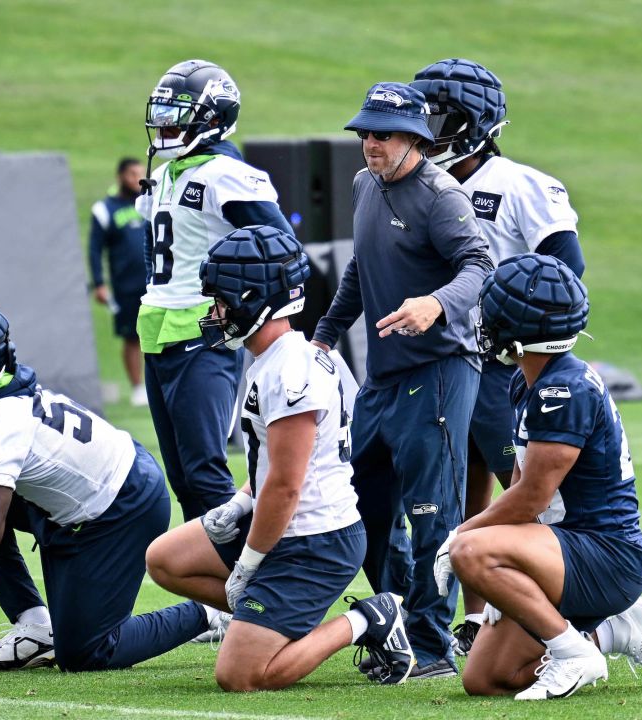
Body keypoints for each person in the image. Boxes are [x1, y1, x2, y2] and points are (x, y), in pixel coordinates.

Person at [0, 295, 223, 683]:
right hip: (100, 483)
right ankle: (35, 628)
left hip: (121, 508)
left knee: (87, 652)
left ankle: (214, 611)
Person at [146, 226, 417, 689]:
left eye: (222, 301)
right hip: (286, 521)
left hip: (316, 539)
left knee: (241, 676)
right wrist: (238, 502)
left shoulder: (290, 368)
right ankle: (275, 624)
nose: (214, 313)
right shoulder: (278, 357)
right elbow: (277, 467)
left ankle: (371, 618)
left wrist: (249, 563)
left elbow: (288, 484)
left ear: (254, 300)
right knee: (165, 558)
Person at [311, 82, 493, 680]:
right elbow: (362, 266)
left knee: (432, 510)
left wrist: (436, 304)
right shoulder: (366, 185)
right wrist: (324, 335)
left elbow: (482, 265)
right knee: (359, 503)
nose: (370, 144)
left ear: (415, 139)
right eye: (364, 132)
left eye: (382, 134)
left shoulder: (441, 196)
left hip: (440, 371)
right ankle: (396, 626)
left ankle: (433, 646)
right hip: (382, 376)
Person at [431, 255, 642, 700]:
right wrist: (504, 570)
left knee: (469, 548)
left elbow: (531, 498)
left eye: (495, 315)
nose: (486, 324)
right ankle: (614, 632)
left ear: (521, 329)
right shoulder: (529, 382)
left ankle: (573, 653)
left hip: (605, 555)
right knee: (486, 679)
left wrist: (463, 539)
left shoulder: (563, 389)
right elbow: (528, 497)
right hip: (563, 548)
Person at [410, 57, 585, 654]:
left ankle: (548, 605)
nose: (427, 128)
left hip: (502, 361)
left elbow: (566, 272)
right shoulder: (415, 185)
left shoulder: (522, 186)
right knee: (459, 483)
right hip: (439, 357)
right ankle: (476, 614)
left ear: (476, 122)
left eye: (440, 116)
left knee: (522, 486)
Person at [136, 59, 293, 522]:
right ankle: (207, 583)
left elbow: (281, 248)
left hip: (204, 331)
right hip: (157, 328)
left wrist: (239, 310)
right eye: (163, 112)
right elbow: (156, 258)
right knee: (183, 475)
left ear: (212, 116)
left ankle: (242, 578)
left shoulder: (227, 173)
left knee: (205, 471)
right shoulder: (168, 173)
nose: (165, 124)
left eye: (177, 112)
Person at [88, 157, 150, 406]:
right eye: (132, 173)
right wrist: (99, 283)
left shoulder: (149, 203)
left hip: (155, 282)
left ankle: (157, 383)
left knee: (158, 333)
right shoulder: (105, 209)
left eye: (140, 173)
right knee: (132, 337)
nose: (137, 178)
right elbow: (95, 249)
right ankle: (137, 387)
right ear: (121, 176)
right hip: (124, 284)